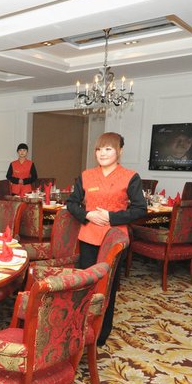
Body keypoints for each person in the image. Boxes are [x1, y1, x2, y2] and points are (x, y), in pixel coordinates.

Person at [66, 132, 147, 347]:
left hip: (114, 239)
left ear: (120, 151)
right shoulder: (86, 175)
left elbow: (140, 209)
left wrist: (111, 217)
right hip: (89, 236)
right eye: (99, 149)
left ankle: (101, 332)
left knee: (107, 286)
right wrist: (87, 214)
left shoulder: (130, 177)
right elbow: (71, 203)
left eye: (108, 149)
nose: (102, 153)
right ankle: (80, 327)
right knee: (87, 283)